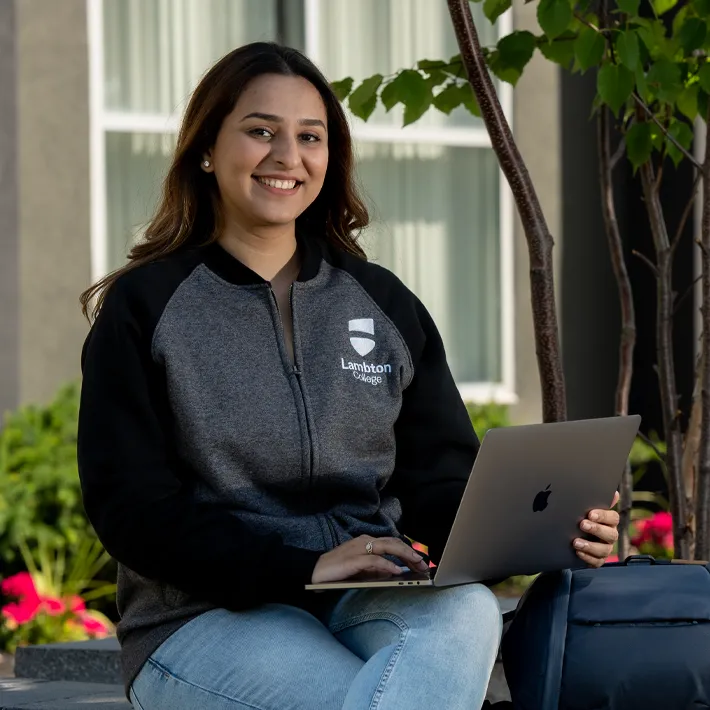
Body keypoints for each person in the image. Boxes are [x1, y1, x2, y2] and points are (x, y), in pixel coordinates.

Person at [77, 42, 620, 710]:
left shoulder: (382, 304)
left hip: (365, 597)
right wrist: (298, 568)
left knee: (470, 612)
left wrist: (550, 530)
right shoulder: (148, 308)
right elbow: (132, 509)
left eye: (311, 136)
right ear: (206, 150)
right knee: (356, 699)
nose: (287, 156)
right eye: (260, 131)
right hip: (203, 618)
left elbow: (437, 484)